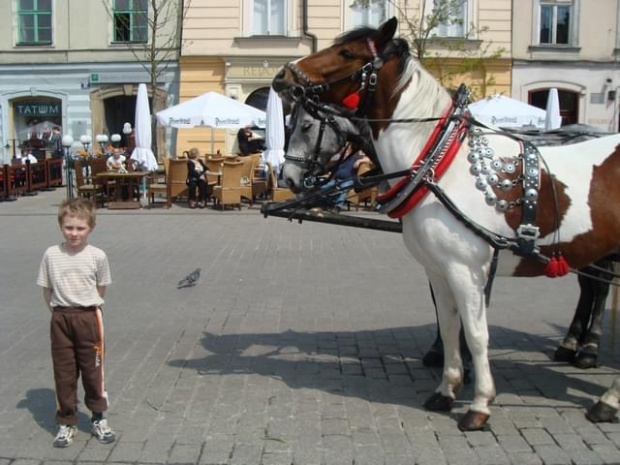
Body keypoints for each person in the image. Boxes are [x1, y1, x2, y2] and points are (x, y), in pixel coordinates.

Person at [36, 198, 116, 448]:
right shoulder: (51, 254)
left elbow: (101, 287)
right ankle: (66, 421)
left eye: (80, 228)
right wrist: (57, 310)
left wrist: (87, 307)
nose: (74, 233)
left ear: (91, 227)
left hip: (89, 317)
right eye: (69, 227)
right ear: (61, 225)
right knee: (64, 373)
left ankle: (98, 417)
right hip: (61, 317)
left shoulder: (97, 256)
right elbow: (46, 288)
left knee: (93, 371)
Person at [319, 146, 371, 210]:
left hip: (348, 180)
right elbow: (329, 164)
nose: (344, 153)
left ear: (349, 152)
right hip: (336, 180)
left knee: (344, 188)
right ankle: (325, 204)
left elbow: (369, 159)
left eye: (345, 152)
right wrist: (337, 156)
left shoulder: (354, 158)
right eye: (343, 152)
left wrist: (360, 161)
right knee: (323, 188)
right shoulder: (340, 160)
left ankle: (337, 207)